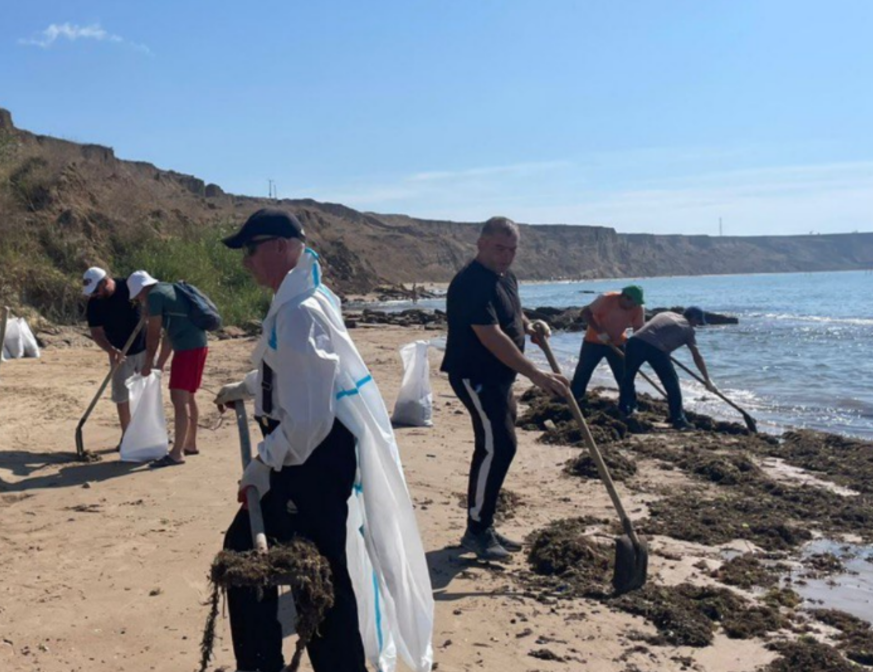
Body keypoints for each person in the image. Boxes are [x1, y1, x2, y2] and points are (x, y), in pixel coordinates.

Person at [213, 208, 434, 672]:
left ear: (278, 246)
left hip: (309, 459)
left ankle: (268, 664)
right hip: (308, 454)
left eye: (250, 251)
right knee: (306, 568)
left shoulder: (299, 312)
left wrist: (264, 463)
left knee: (305, 572)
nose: (245, 262)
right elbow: (303, 375)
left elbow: (310, 417)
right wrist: (253, 386)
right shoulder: (302, 296)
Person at [441, 216, 570, 561]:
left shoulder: (504, 277)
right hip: (474, 375)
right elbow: (491, 336)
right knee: (498, 445)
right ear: (481, 243)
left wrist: (530, 326)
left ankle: (483, 523)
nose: (506, 255)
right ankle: (477, 530)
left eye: (512, 249)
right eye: (499, 248)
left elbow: (512, 312)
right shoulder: (470, 282)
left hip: (500, 377)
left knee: (498, 445)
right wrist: (537, 375)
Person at [126, 270, 210, 468]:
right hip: (198, 345)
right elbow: (170, 334)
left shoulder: (154, 296)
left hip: (188, 350)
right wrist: (160, 364)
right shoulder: (169, 288)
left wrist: (148, 364)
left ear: (142, 289)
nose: (138, 300)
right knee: (188, 396)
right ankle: (190, 444)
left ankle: (176, 453)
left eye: (138, 296)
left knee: (178, 398)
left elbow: (153, 334)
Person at [618, 306, 714, 430]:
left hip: (635, 341)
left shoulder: (665, 314)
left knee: (628, 378)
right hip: (656, 350)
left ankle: (625, 409)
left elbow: (656, 330)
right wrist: (707, 379)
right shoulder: (689, 330)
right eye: (698, 321)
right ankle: (679, 420)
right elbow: (696, 355)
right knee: (672, 384)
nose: (697, 325)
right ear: (694, 318)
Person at [82, 267, 147, 434]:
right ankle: (128, 435)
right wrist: (111, 350)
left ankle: (150, 431)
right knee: (122, 396)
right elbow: (96, 332)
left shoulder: (129, 286)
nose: (94, 295)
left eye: (96, 290)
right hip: (119, 354)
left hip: (144, 349)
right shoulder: (94, 303)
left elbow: (148, 299)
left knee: (147, 392)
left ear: (105, 282)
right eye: (92, 293)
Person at [570, 285, 646, 400]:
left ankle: (628, 404)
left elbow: (638, 329)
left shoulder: (638, 307)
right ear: (625, 297)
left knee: (624, 376)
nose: (635, 306)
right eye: (633, 302)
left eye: (637, 303)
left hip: (617, 343)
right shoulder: (606, 299)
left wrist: (636, 347)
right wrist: (600, 332)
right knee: (582, 373)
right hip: (593, 342)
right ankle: (574, 400)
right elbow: (585, 313)